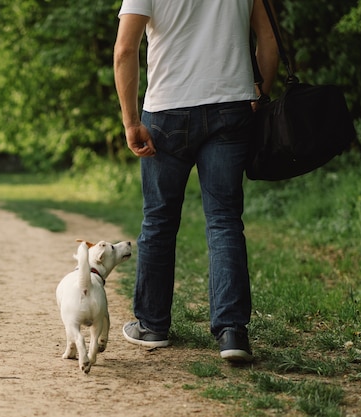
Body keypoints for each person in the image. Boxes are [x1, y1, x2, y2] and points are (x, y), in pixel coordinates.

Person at [113, 0, 279, 362]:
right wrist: (260, 93)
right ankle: (232, 331)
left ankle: (152, 325)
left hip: (166, 111)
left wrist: (129, 122)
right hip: (231, 107)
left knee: (158, 220)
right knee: (224, 220)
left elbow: (126, 49)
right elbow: (268, 40)